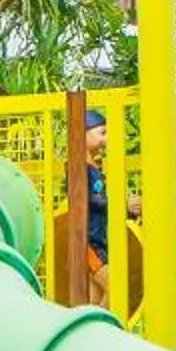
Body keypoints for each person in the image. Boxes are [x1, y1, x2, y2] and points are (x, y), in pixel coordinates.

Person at [79, 109, 109, 304]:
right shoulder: (81, 167)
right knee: (115, 286)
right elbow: (93, 200)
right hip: (89, 241)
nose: (106, 139)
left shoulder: (93, 168)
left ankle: (93, 329)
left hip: (98, 239)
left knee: (95, 297)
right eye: (102, 133)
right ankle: (103, 330)